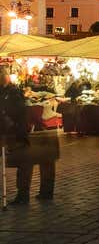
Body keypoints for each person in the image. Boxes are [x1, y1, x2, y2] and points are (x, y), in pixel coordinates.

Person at [2, 66, 59, 205]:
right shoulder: (11, 92)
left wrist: (12, 124)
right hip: (26, 131)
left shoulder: (12, 93)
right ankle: (41, 193)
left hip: (25, 132)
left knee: (29, 163)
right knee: (39, 162)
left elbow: (17, 113)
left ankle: (28, 195)